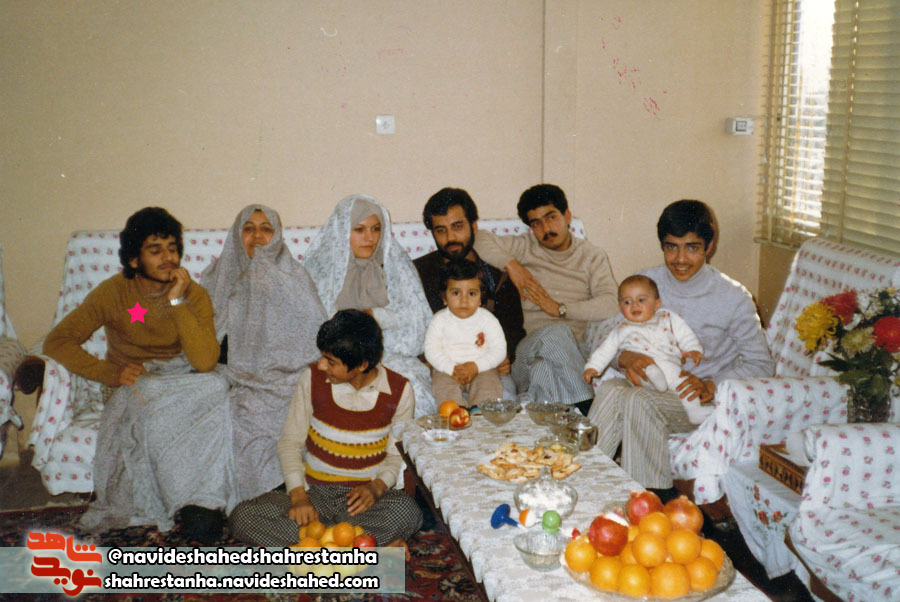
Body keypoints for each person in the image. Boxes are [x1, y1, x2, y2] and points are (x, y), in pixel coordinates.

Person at [44, 207, 237, 543]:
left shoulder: (192, 293)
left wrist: (177, 303)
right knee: (153, 403)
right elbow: (57, 341)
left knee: (218, 386)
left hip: (180, 379)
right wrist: (110, 372)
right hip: (134, 385)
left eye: (173, 248)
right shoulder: (112, 293)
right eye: (155, 250)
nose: (168, 258)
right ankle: (187, 504)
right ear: (134, 259)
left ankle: (200, 500)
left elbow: (205, 362)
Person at [589, 200, 774, 494]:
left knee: (639, 400)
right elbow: (601, 334)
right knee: (612, 389)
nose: (680, 259)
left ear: (709, 246)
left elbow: (762, 364)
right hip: (652, 383)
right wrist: (624, 357)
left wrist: (713, 385)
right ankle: (581, 482)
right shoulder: (646, 283)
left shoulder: (733, 296)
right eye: (671, 247)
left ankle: (650, 499)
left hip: (698, 400)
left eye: (692, 247)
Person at [228, 310, 423, 550]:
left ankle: (318, 547)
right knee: (243, 516)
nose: (321, 365)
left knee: (407, 511)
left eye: (331, 362)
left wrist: (377, 487)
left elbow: (395, 456)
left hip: (362, 503)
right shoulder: (312, 379)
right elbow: (290, 442)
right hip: (315, 495)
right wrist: (298, 496)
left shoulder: (400, 390)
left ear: (361, 365)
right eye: (322, 357)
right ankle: (358, 546)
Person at [201, 205, 327, 502]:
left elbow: (314, 338)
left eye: (265, 229)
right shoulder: (215, 277)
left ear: (277, 235)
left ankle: (280, 496)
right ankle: (220, 501)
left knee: (267, 414)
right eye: (249, 229)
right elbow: (200, 337)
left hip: (283, 379)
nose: (257, 236)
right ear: (237, 235)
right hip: (228, 376)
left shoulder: (294, 276)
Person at [472, 184, 618, 414]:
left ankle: (557, 425)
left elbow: (611, 302)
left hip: (573, 356)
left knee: (545, 369)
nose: (546, 229)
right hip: (526, 355)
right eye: (536, 223)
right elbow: (478, 239)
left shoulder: (592, 256)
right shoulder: (525, 247)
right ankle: (589, 409)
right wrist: (512, 266)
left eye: (551, 217)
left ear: (567, 216)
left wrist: (560, 309)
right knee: (555, 333)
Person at [302, 194, 437, 416]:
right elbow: (313, 326)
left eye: (376, 229)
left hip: (389, 355)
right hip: (337, 360)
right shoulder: (322, 270)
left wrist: (374, 315)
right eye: (359, 229)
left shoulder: (393, 265)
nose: (370, 238)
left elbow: (415, 322)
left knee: (413, 390)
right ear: (343, 231)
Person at [415, 188, 526, 379]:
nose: (450, 238)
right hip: (437, 370)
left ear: (473, 227)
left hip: (486, 369)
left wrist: (505, 356)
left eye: (457, 226)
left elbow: (513, 329)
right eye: (441, 230)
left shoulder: (497, 277)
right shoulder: (416, 273)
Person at [582, 275, 710, 425]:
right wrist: (593, 367)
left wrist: (693, 349)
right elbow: (605, 350)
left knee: (684, 383)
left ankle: (695, 412)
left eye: (641, 300)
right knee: (643, 374)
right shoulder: (622, 328)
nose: (634, 305)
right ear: (620, 308)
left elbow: (685, 334)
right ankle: (653, 379)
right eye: (627, 302)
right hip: (640, 370)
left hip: (669, 365)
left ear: (657, 304)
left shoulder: (667, 317)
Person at [424, 259, 506, 407]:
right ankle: (456, 412)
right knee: (442, 387)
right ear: (444, 298)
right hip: (448, 370)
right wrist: (450, 368)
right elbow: (431, 350)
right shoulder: (439, 320)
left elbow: (499, 350)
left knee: (489, 386)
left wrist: (476, 366)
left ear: (480, 299)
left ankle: (480, 413)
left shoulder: (488, 320)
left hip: (481, 368)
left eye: (472, 293)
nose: (464, 300)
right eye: (456, 293)